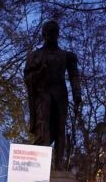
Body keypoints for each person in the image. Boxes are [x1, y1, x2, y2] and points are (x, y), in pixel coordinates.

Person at [24, 20, 81, 170]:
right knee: (43, 129)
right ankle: (41, 167)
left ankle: (59, 166)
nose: (52, 35)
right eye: (49, 32)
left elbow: (74, 76)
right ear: (44, 34)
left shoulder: (67, 56)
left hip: (60, 95)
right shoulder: (35, 56)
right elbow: (27, 78)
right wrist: (39, 72)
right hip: (42, 96)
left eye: (55, 32)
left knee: (60, 130)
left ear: (58, 34)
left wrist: (77, 94)